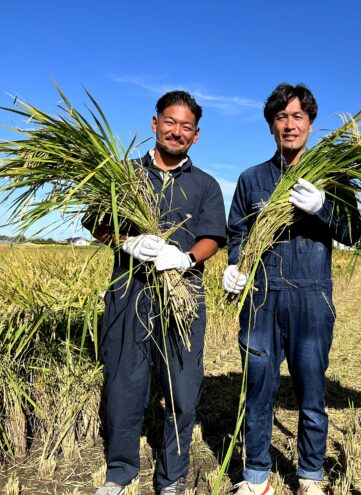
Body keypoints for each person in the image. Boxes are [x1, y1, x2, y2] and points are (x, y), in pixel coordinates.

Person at [222, 83, 361, 495]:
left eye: (297, 116)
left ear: (311, 123)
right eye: (281, 117)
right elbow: (237, 233)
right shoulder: (252, 180)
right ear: (270, 126)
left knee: (311, 388)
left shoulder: (332, 179)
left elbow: (353, 231)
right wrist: (235, 265)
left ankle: (310, 475)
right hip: (261, 297)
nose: (289, 124)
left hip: (311, 296)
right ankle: (256, 477)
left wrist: (324, 207)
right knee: (258, 387)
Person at [86, 91, 226, 495]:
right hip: (129, 293)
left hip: (183, 298)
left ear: (196, 136)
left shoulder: (206, 185)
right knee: (124, 386)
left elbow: (213, 237)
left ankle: (172, 477)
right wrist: (125, 241)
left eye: (186, 127)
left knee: (183, 389)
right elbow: (96, 221)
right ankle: (120, 471)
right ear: (154, 124)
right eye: (170, 122)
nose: (176, 131)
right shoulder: (125, 174)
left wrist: (184, 259)